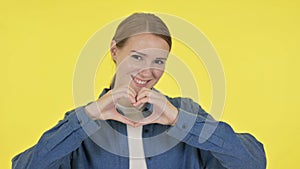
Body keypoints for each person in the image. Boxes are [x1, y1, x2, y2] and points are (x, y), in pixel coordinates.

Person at [12, 13, 266, 169]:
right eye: (137, 57)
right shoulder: (83, 122)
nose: (148, 71)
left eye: (158, 61)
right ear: (114, 51)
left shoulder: (184, 113)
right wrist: (86, 117)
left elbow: (252, 163)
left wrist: (178, 119)